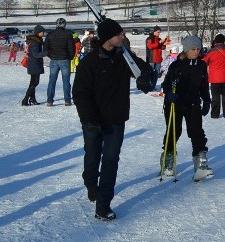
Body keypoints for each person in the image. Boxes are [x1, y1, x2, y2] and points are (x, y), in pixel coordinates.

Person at [72, 18, 156, 221]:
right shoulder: (90, 62)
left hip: (116, 119)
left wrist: (146, 79)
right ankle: (91, 183)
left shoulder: (123, 58)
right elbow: (80, 94)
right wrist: (89, 119)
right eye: (119, 34)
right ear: (107, 38)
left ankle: (103, 204)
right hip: (93, 120)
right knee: (92, 157)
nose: (123, 36)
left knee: (110, 160)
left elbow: (146, 71)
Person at [161, 35, 212, 182]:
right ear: (186, 50)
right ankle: (168, 161)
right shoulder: (176, 65)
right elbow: (165, 84)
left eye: (198, 49)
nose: (196, 52)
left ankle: (200, 165)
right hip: (175, 104)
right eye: (193, 49)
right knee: (173, 131)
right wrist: (170, 94)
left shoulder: (202, 65)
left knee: (196, 132)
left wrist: (207, 101)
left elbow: (204, 86)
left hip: (193, 104)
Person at [204, 34, 225, 118]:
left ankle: (215, 114)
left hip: (215, 78)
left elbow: (205, 61)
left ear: (216, 41)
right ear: (223, 41)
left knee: (215, 97)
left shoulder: (211, 51)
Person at [45, 17, 75, 107]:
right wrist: (70, 57)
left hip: (54, 60)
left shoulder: (50, 34)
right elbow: (71, 48)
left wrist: (51, 56)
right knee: (66, 81)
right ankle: (67, 101)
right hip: (65, 59)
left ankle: (49, 101)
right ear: (64, 24)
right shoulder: (68, 34)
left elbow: (45, 48)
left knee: (52, 81)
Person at [21, 25, 47, 106]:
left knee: (33, 82)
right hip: (34, 63)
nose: (44, 33)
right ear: (38, 32)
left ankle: (32, 99)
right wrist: (47, 53)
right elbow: (36, 54)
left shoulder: (36, 40)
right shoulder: (35, 42)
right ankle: (25, 99)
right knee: (34, 82)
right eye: (42, 31)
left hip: (34, 63)